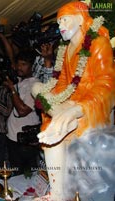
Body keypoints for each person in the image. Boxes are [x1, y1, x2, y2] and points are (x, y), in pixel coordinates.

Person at [31, 1, 115, 200]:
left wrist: (76, 109)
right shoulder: (64, 50)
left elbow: (107, 86)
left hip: (89, 107)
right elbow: (61, 86)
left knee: (95, 191)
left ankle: (64, 120)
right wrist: (53, 99)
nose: (60, 26)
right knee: (36, 87)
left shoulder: (97, 43)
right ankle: (58, 193)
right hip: (67, 103)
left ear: (80, 18)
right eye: (58, 21)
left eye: (64, 20)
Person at [4, 49, 41, 175]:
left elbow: (22, 111)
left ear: (32, 66)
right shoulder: (20, 79)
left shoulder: (35, 85)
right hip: (12, 138)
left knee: (28, 176)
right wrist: (2, 38)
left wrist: (12, 89)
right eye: (18, 64)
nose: (19, 67)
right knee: (15, 175)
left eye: (24, 64)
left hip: (26, 141)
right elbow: (11, 57)